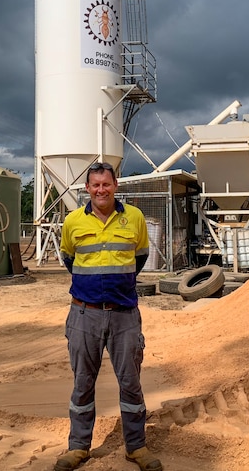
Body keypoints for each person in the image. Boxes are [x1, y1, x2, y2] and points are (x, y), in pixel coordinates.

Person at [54, 162, 163, 471]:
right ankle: (78, 447)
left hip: (124, 314)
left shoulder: (135, 218)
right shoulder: (73, 221)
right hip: (83, 314)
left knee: (130, 383)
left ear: (116, 186)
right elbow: (69, 258)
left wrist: (117, 284)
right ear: (87, 189)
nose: (101, 190)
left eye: (106, 184)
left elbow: (140, 256)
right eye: (95, 185)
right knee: (82, 383)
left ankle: (136, 447)